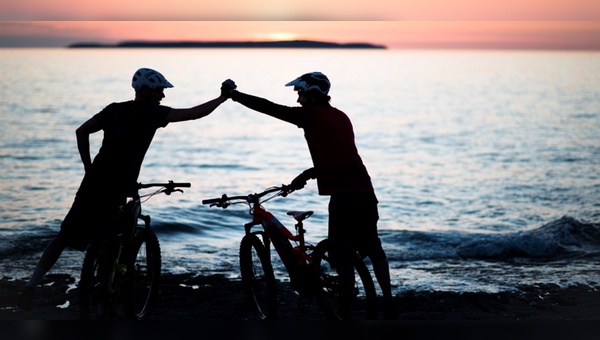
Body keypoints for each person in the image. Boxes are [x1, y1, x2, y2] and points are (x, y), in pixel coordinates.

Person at [18, 68, 232, 310]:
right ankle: (105, 287)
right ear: (146, 91)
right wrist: (222, 98)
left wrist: (88, 167)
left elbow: (81, 131)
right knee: (113, 236)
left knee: (64, 236)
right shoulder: (153, 113)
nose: (163, 96)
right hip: (120, 186)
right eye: (160, 91)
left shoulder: (114, 109)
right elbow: (194, 114)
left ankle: (31, 287)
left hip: (94, 181)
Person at [221, 72, 396, 319]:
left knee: (339, 254)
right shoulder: (340, 116)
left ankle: (345, 306)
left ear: (312, 93)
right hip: (365, 192)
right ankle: (388, 303)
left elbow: (271, 108)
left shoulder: (311, 115)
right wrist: (307, 174)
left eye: (300, 92)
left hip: (344, 196)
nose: (298, 98)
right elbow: (340, 156)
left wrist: (235, 96)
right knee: (374, 248)